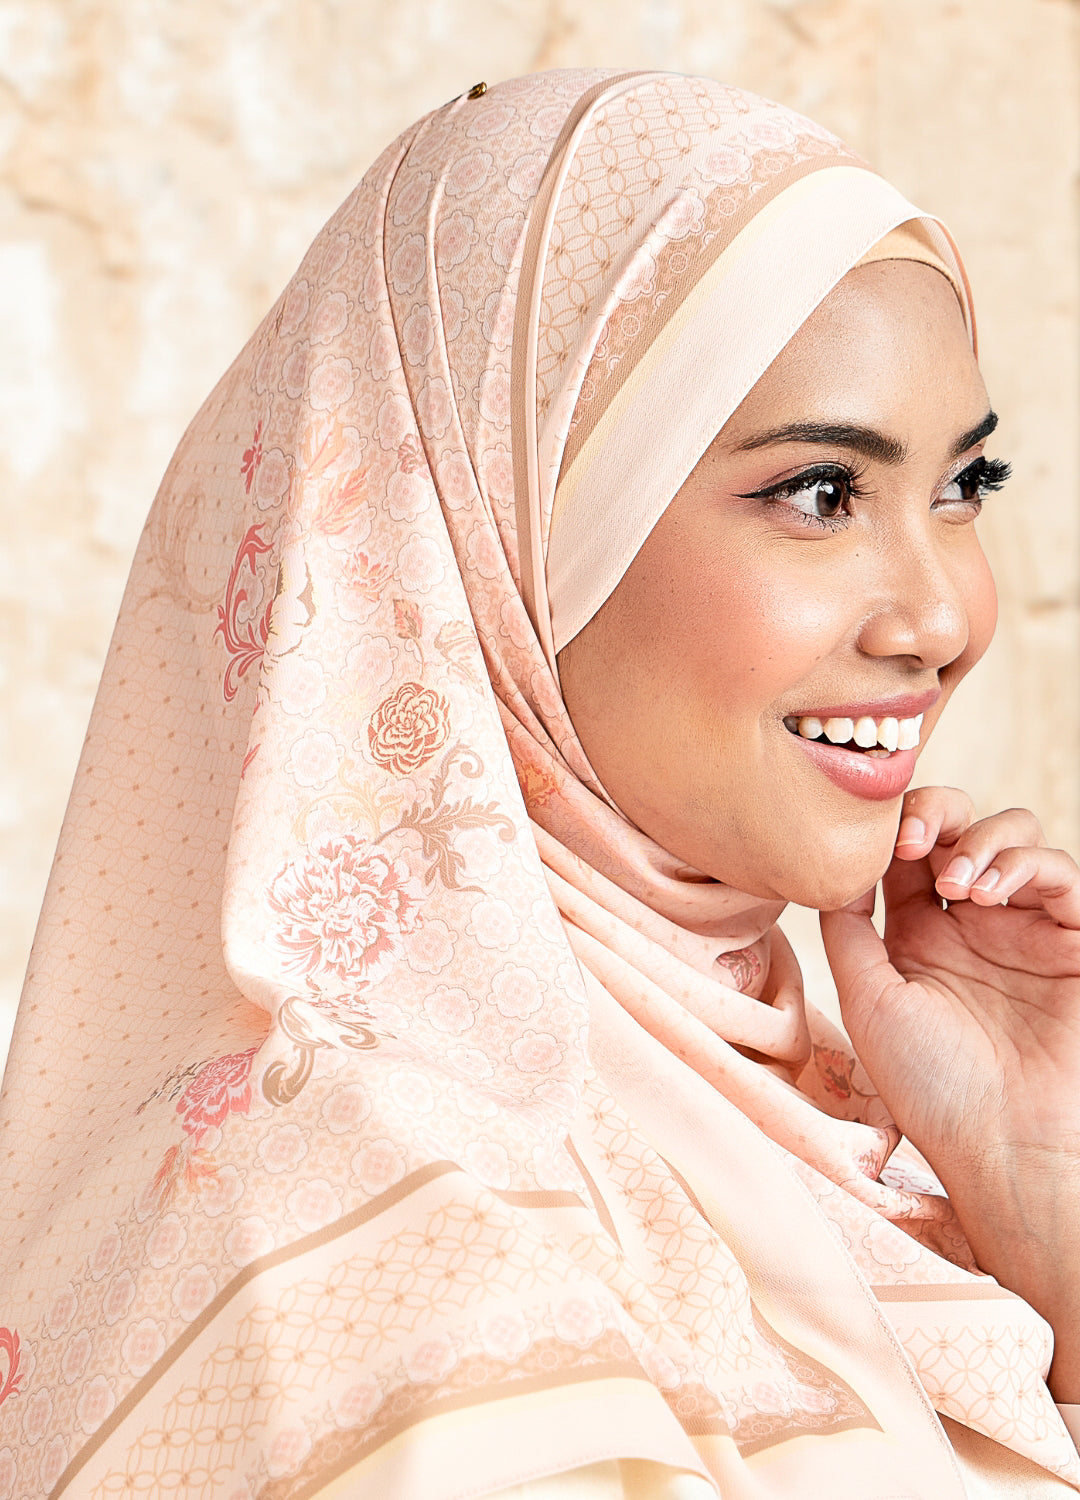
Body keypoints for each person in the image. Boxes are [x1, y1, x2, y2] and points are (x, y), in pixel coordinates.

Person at [0, 65, 1077, 1499]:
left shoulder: (838, 1141)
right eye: (821, 494)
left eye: (962, 488)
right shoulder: (382, 1243)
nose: (941, 618)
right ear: (502, 534)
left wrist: (1040, 1196)